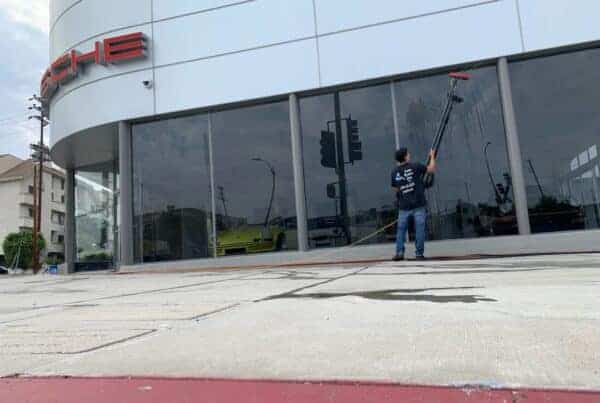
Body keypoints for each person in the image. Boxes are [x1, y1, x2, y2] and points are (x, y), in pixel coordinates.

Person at [391, 147, 436, 261]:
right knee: (419, 229)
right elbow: (431, 169)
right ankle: (419, 254)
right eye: (408, 154)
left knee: (401, 230)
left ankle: (399, 252)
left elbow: (395, 189)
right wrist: (432, 157)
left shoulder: (394, 172)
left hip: (403, 207)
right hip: (418, 205)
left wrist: (403, 193)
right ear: (405, 157)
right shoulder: (415, 166)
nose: (409, 155)